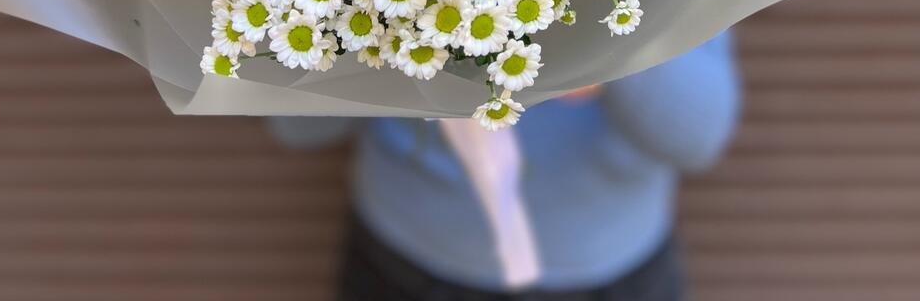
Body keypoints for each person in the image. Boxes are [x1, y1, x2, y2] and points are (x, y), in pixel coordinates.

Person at [270, 31, 739, 301]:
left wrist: (600, 35)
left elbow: (699, 137)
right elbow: (295, 127)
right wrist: (372, 15)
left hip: (613, 270)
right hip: (407, 262)